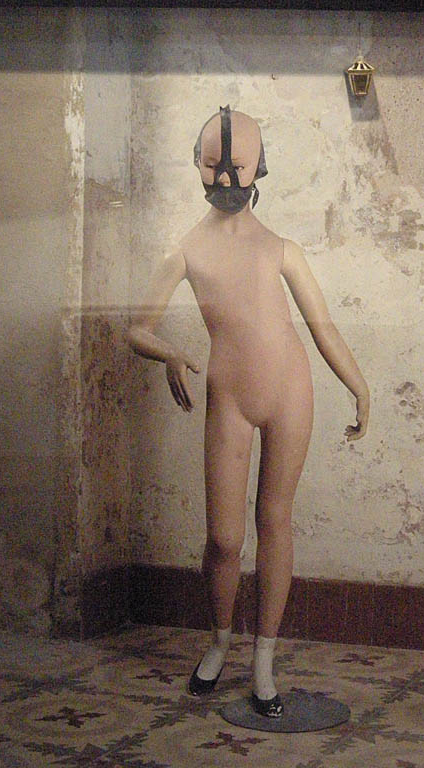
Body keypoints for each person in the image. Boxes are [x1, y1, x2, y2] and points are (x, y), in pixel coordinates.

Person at [127, 105, 369, 718]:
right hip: (229, 397)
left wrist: (359, 386)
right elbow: (136, 327)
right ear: (197, 165)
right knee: (223, 538)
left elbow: (323, 328)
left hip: (290, 392)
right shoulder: (187, 251)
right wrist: (171, 353)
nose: (227, 180)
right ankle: (218, 644)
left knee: (275, 521)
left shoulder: (281, 250)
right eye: (215, 165)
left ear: (260, 167)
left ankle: (264, 659)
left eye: (237, 166)